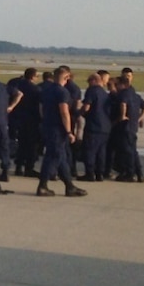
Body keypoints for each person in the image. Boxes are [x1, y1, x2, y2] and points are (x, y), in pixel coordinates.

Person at [36, 67, 86, 197]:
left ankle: (69, 186)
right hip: (57, 129)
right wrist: (69, 131)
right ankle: (42, 185)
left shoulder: (47, 90)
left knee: (61, 158)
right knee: (52, 157)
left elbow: (41, 109)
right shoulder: (63, 92)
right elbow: (64, 112)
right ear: (67, 77)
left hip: (47, 126)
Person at [113, 75, 144, 182]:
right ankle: (139, 173)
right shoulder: (135, 95)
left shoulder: (123, 94)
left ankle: (129, 173)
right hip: (133, 126)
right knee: (133, 151)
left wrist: (122, 115)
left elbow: (123, 103)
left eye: (117, 84)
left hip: (125, 127)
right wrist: (140, 118)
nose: (116, 87)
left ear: (122, 84)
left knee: (127, 151)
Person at [79, 73, 110, 181]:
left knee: (90, 150)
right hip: (105, 127)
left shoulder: (92, 91)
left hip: (94, 126)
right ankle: (99, 174)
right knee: (101, 151)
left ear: (93, 81)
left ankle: (90, 173)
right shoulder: (105, 93)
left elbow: (86, 106)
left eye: (89, 82)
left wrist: (79, 113)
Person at [13, 68, 42, 177]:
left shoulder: (18, 86)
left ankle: (18, 167)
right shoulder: (36, 90)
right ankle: (29, 168)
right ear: (33, 77)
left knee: (21, 144)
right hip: (32, 120)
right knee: (32, 145)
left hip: (19, 118)